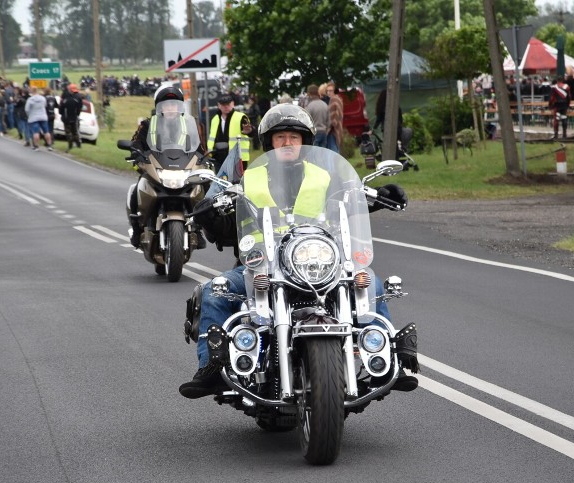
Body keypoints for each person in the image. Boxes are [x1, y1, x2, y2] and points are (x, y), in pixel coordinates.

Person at [180, 103, 415, 399]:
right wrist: (210, 216)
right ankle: (210, 369)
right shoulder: (248, 181)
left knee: (369, 281)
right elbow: (230, 227)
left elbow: (350, 203)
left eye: (294, 136)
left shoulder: (326, 177)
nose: (288, 143)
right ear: (269, 143)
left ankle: (387, 360)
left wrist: (378, 198)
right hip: (260, 269)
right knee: (215, 291)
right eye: (280, 137)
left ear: (305, 141)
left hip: (318, 264)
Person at [127, 84, 206, 249]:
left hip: (182, 168)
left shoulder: (190, 125)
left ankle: (198, 228)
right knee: (136, 189)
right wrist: (136, 153)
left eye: (174, 105)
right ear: (159, 107)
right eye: (166, 105)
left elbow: (200, 149)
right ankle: (136, 228)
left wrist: (204, 159)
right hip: (156, 166)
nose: (171, 108)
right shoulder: (147, 125)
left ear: (180, 107)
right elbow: (137, 143)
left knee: (203, 187)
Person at [208, 93, 251, 174]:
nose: (226, 107)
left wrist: (249, 131)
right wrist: (210, 151)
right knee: (221, 184)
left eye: (228, 104)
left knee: (237, 184)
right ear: (219, 105)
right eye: (223, 105)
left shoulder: (241, 117)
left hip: (237, 158)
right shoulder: (215, 119)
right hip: (218, 158)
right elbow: (212, 137)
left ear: (233, 104)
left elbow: (251, 131)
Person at [25, 86, 53, 151]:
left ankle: (36, 146)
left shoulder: (30, 99)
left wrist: (29, 115)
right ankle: (49, 145)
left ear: (31, 91)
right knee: (46, 131)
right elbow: (45, 105)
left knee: (36, 132)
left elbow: (27, 109)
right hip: (43, 116)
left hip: (33, 117)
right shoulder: (43, 98)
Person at [59, 83, 83, 151]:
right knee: (75, 131)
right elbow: (79, 108)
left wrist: (62, 115)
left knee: (68, 132)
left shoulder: (65, 99)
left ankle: (70, 145)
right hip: (74, 118)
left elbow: (60, 109)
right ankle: (78, 145)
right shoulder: (78, 98)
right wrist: (77, 114)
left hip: (67, 118)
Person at [549, 75, 571, 139]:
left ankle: (556, 135)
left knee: (556, 119)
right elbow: (569, 97)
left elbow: (552, 97)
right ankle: (564, 134)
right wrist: (568, 105)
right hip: (564, 105)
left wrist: (550, 105)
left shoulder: (554, 87)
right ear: (562, 80)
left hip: (557, 105)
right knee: (564, 118)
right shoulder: (567, 86)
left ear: (557, 80)